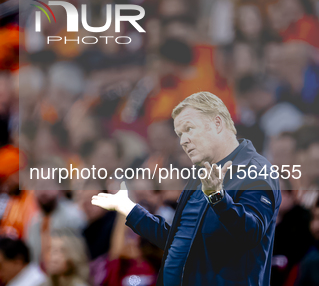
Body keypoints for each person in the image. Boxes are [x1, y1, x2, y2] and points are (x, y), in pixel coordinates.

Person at [92, 91, 282, 285]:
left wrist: (217, 197)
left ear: (217, 123)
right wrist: (129, 208)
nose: (183, 141)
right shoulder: (200, 176)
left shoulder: (255, 170)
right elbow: (178, 242)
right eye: (180, 134)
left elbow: (251, 233)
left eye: (189, 129)